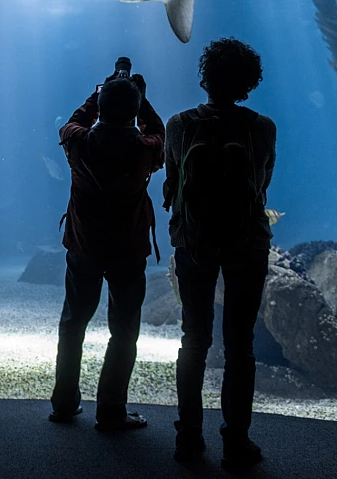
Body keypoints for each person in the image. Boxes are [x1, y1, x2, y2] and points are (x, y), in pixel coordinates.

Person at [163, 38, 276, 470]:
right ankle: (236, 442)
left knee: (193, 339)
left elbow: (172, 184)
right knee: (239, 344)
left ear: (205, 76)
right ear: (250, 82)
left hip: (193, 243)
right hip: (247, 243)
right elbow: (263, 186)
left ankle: (189, 438)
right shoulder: (262, 128)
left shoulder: (179, 124)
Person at [49, 58, 166, 431]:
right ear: (135, 112)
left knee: (73, 322)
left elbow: (72, 121)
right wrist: (140, 97)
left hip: (84, 246)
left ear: (100, 107)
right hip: (128, 250)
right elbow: (159, 131)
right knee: (125, 328)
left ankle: (64, 403)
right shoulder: (145, 148)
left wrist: (100, 90)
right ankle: (112, 408)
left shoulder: (78, 143)